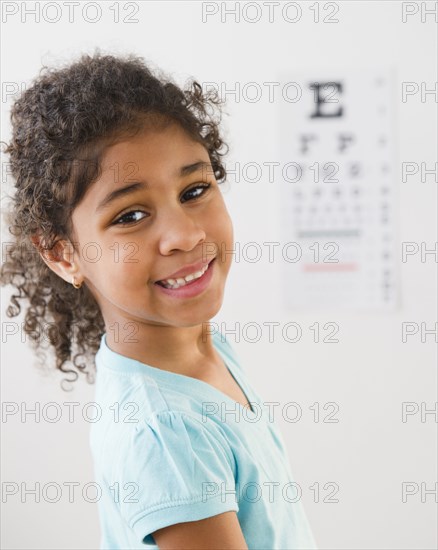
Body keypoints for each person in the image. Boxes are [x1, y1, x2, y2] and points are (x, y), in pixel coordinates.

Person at [1, 52, 318, 550]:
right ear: (64, 255)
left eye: (194, 190)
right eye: (129, 216)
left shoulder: (200, 349)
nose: (184, 235)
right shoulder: (168, 433)